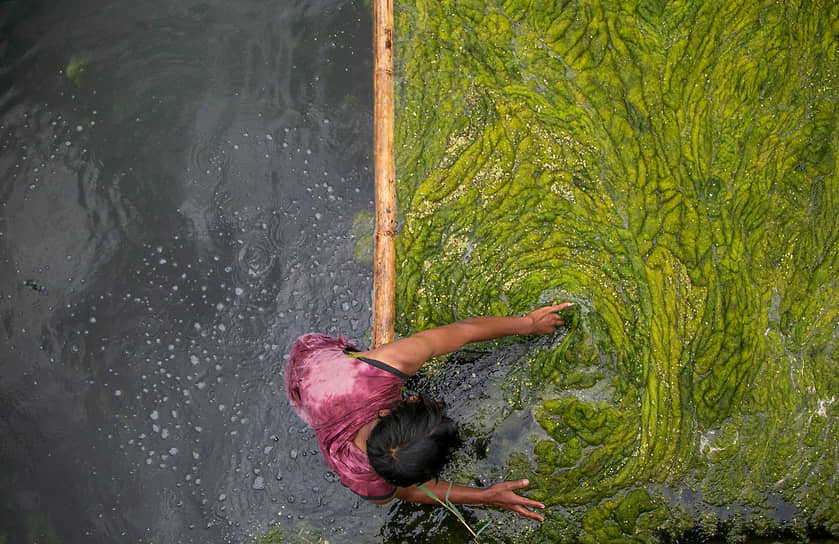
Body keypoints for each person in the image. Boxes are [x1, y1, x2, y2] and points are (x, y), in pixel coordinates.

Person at [285, 303, 574, 522]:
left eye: (428, 409)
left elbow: (465, 331)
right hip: (309, 383)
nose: (437, 405)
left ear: (391, 410)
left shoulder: (383, 366)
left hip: (324, 367)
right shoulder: (362, 478)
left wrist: (528, 324)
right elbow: (410, 491)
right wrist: (487, 497)